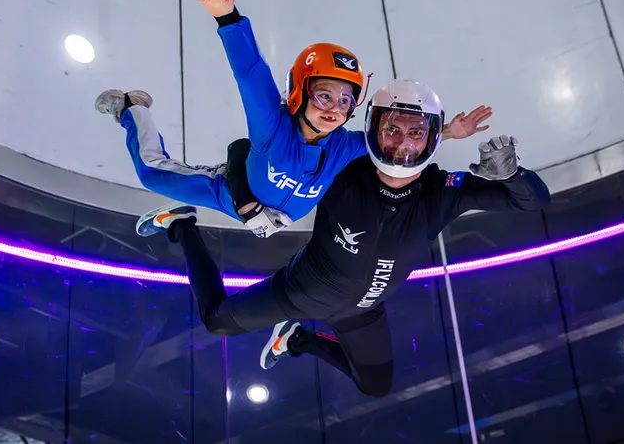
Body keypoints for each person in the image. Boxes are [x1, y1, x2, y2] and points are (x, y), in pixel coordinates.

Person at [136, 79, 551, 397]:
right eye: (392, 129)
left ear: (430, 139)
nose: (401, 144)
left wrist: (512, 173)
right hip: (298, 292)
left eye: (415, 134)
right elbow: (244, 149)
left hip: (362, 313)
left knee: (375, 386)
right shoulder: (342, 167)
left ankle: (297, 339)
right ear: (372, 129)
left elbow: (533, 200)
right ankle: (182, 225)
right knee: (217, 322)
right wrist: (245, 202)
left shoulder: (444, 191)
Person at [96, 0, 492, 238]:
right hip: (227, 193)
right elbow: (251, 75)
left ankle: (178, 217)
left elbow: (395, 143)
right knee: (151, 174)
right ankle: (133, 107)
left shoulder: (348, 146)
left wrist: (449, 133)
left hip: (265, 219)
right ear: (301, 93)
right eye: (324, 96)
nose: (335, 109)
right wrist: (228, 18)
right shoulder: (273, 126)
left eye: (345, 101)